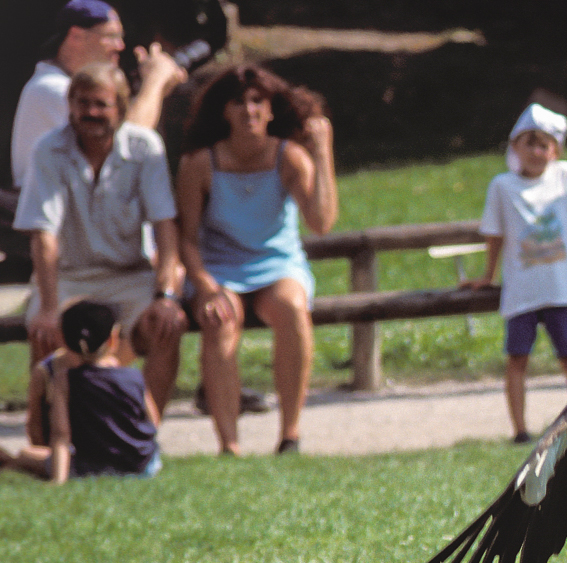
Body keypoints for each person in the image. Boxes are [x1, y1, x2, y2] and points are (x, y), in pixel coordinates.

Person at [177, 65, 337, 456]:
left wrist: (322, 152)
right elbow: (187, 239)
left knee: (293, 309)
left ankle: (290, 435)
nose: (248, 110)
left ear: (270, 110)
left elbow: (320, 223)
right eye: (238, 103)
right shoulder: (199, 163)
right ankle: (229, 444)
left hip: (276, 263)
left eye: (257, 102)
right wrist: (206, 286)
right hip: (219, 269)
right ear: (224, 112)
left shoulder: (289, 157)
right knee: (219, 322)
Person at [13, 62, 185, 420]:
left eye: (100, 104)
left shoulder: (144, 148)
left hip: (130, 274)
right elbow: (44, 236)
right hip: (69, 276)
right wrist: (47, 308)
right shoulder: (49, 150)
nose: (90, 112)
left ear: (120, 108)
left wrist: (166, 296)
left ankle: (142, 435)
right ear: (70, 105)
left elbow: (165, 228)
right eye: (81, 102)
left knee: (168, 326)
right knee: (45, 332)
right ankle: (47, 435)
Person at [464, 103, 567, 445]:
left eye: (544, 145)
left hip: (562, 288)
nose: (537, 152)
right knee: (517, 358)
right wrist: (488, 275)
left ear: (555, 150)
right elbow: (495, 235)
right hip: (523, 290)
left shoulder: (565, 176)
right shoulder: (502, 186)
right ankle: (519, 429)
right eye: (529, 144)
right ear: (514, 147)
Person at [11, 0, 185, 190]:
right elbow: (126, 144)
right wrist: (154, 82)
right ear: (76, 36)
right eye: (111, 36)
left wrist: (156, 92)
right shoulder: (51, 88)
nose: (120, 46)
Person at [1, 300, 160, 483]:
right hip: (143, 467)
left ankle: (9, 463)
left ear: (63, 340)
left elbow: (61, 436)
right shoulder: (133, 376)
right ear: (113, 339)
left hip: (91, 466)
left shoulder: (64, 379)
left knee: (25, 455)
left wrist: (58, 481)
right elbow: (153, 422)